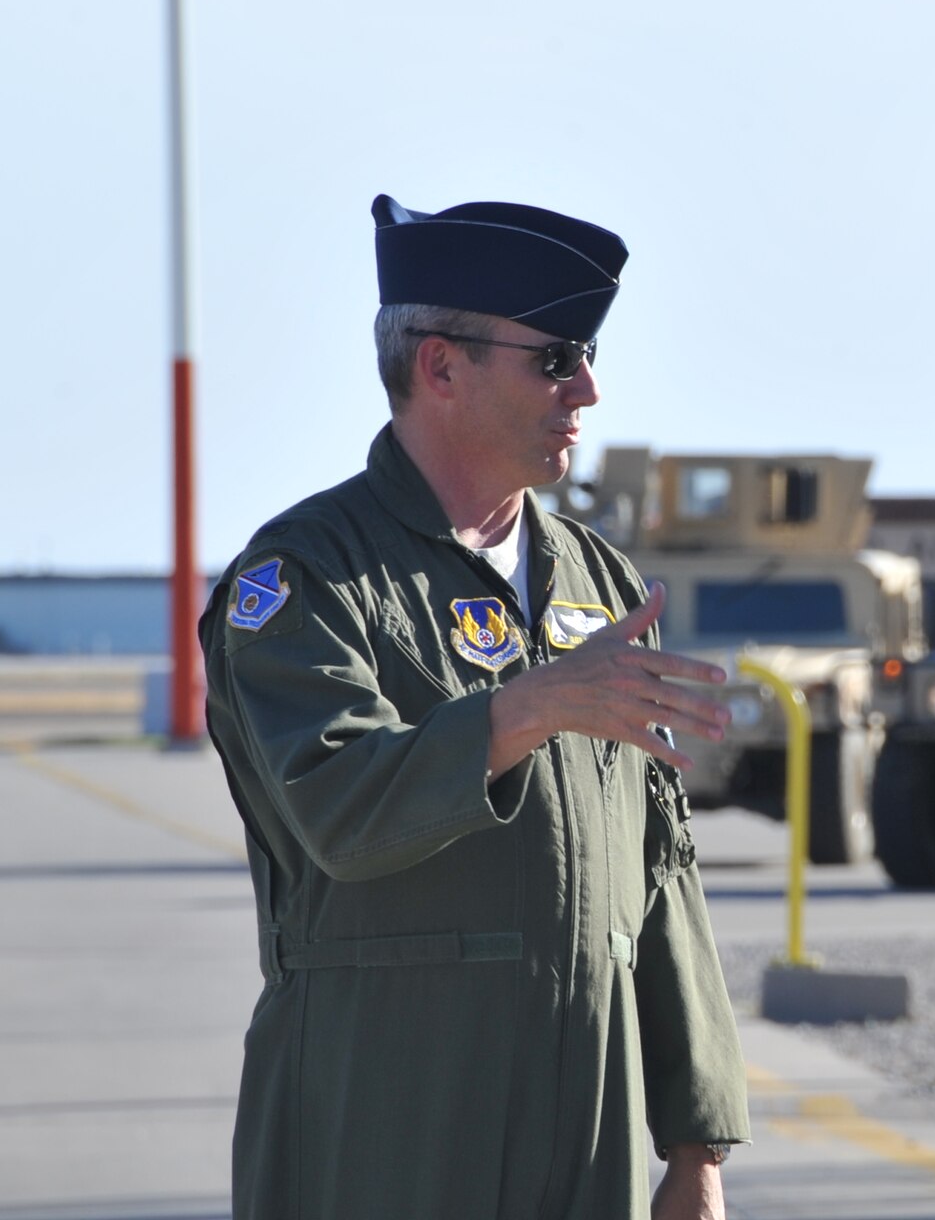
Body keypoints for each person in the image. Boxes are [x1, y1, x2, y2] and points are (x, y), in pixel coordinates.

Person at [200, 194, 750, 1220]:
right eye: (555, 357)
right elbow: (336, 807)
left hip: (584, 1137)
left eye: (587, 356)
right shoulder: (308, 576)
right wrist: (524, 707)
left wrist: (694, 1144)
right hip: (382, 1126)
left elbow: (660, 870)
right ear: (440, 367)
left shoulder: (597, 581)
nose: (586, 386)